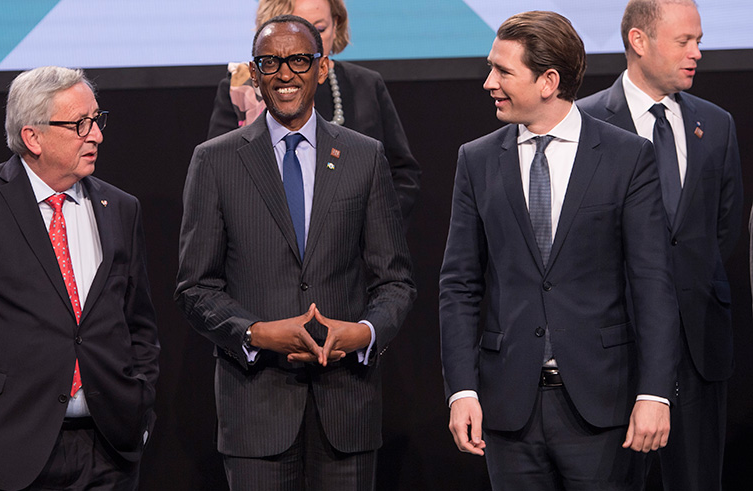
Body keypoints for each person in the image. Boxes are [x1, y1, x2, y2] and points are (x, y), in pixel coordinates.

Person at [439, 11, 680, 490]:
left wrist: (655, 392)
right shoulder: (477, 159)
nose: (489, 82)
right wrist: (461, 390)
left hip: (604, 407)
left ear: (549, 81)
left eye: (503, 71)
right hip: (509, 411)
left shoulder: (627, 157)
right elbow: (460, 285)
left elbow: (653, 283)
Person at [176, 14, 415, 491]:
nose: (285, 74)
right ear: (255, 71)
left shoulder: (364, 156)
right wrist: (257, 332)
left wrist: (364, 332)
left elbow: (395, 281)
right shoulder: (215, 160)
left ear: (322, 69)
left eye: (299, 60)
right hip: (255, 408)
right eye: (271, 62)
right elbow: (195, 287)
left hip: (346, 405)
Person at [0, 66, 160, 490]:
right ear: (33, 137)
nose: (97, 136)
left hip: (109, 451)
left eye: (97, 120)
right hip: (8, 453)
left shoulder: (121, 207)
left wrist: (139, 412)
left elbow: (139, 324)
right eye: (81, 124)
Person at [578, 1, 743, 489]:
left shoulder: (717, 125)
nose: (696, 53)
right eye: (683, 41)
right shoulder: (585, 124)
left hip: (697, 351)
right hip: (614, 353)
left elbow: (722, 229)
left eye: (699, 41)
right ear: (639, 42)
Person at [207, 0, 421, 223]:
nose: (311, 43)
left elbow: (402, 174)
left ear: (336, 24)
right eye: (299, 30)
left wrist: (372, 229)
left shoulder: (366, 85)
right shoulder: (240, 90)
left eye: (319, 29)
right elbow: (218, 178)